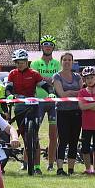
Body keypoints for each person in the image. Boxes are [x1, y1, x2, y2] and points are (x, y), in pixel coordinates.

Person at [6, 49, 45, 174]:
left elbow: (43, 84)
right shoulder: (12, 73)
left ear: (26, 61)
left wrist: (50, 92)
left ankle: (37, 166)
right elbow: (8, 88)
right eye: (17, 62)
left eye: (22, 62)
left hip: (33, 105)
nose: (19, 64)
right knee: (24, 134)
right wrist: (10, 95)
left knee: (35, 137)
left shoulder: (34, 73)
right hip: (19, 105)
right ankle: (26, 163)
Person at [31, 35, 61, 171]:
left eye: (50, 44)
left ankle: (50, 164)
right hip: (39, 101)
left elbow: (58, 80)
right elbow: (36, 79)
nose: (48, 46)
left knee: (53, 135)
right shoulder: (35, 63)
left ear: (53, 47)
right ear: (42, 47)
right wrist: (50, 79)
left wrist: (44, 79)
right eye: (45, 44)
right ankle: (30, 163)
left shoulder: (57, 63)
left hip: (54, 101)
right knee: (33, 133)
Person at [53, 53, 83, 176]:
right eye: (65, 60)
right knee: (63, 139)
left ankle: (71, 169)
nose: (67, 62)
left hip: (77, 111)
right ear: (61, 62)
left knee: (74, 140)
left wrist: (69, 92)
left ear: (72, 62)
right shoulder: (57, 76)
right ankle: (60, 168)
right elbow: (61, 94)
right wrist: (73, 92)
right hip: (62, 111)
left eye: (69, 60)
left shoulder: (77, 76)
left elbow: (83, 93)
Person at [77, 66, 95, 175]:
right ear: (84, 79)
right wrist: (94, 103)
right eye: (87, 78)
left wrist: (88, 105)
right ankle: (88, 168)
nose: (89, 80)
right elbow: (81, 107)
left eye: (91, 77)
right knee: (85, 148)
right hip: (86, 125)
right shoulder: (82, 92)